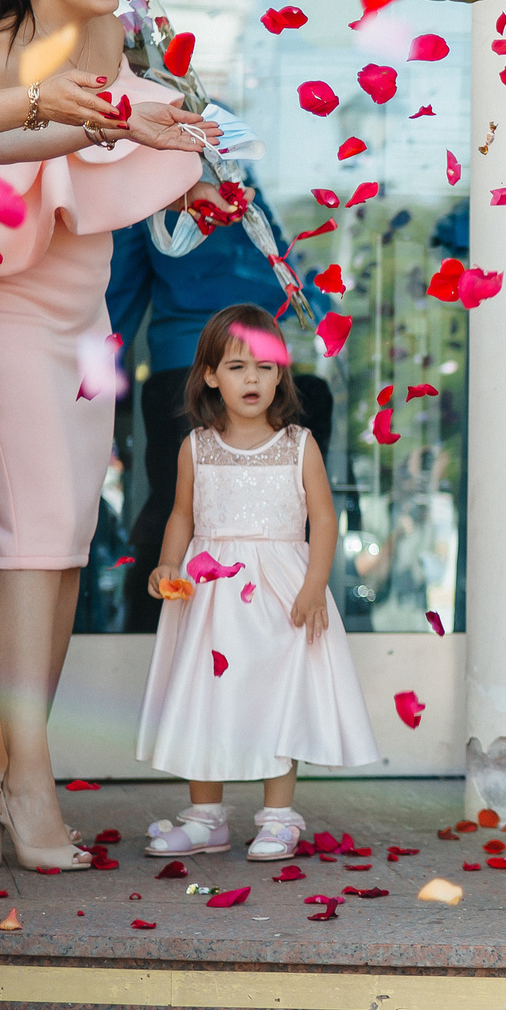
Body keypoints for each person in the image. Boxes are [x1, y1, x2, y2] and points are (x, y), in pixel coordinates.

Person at [0, 0, 204, 871]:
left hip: (82, 316)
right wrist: (115, 124)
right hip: (6, 315)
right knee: (32, 539)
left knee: (69, 540)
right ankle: (28, 781)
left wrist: (168, 153)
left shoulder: (107, 36)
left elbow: (112, 168)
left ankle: (10, 761)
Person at [134, 304, 372, 861]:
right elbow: (182, 516)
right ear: (211, 375)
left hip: (284, 594)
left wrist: (314, 587)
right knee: (206, 697)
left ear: (281, 377)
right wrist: (170, 564)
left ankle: (279, 817)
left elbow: (325, 519)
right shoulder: (196, 446)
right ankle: (205, 818)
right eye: (238, 367)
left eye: (267, 368)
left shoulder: (298, 444)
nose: (253, 379)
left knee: (280, 696)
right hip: (214, 598)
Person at [109, 171, 333, 637]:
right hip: (188, 364)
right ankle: (166, 613)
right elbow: (280, 266)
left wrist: (99, 368)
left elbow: (123, 291)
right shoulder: (233, 180)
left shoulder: (156, 184)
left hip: (182, 364)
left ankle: (148, 624)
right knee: (184, 500)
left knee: (176, 498)